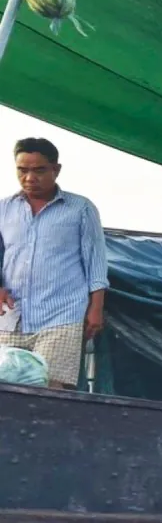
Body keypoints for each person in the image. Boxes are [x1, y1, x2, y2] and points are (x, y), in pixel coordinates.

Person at [0, 138, 109, 389]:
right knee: (6, 387)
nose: (29, 178)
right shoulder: (4, 209)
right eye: (22, 170)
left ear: (55, 170)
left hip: (62, 315)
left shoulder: (80, 208)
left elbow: (95, 261)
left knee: (51, 390)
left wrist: (96, 308)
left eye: (38, 170)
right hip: (11, 316)